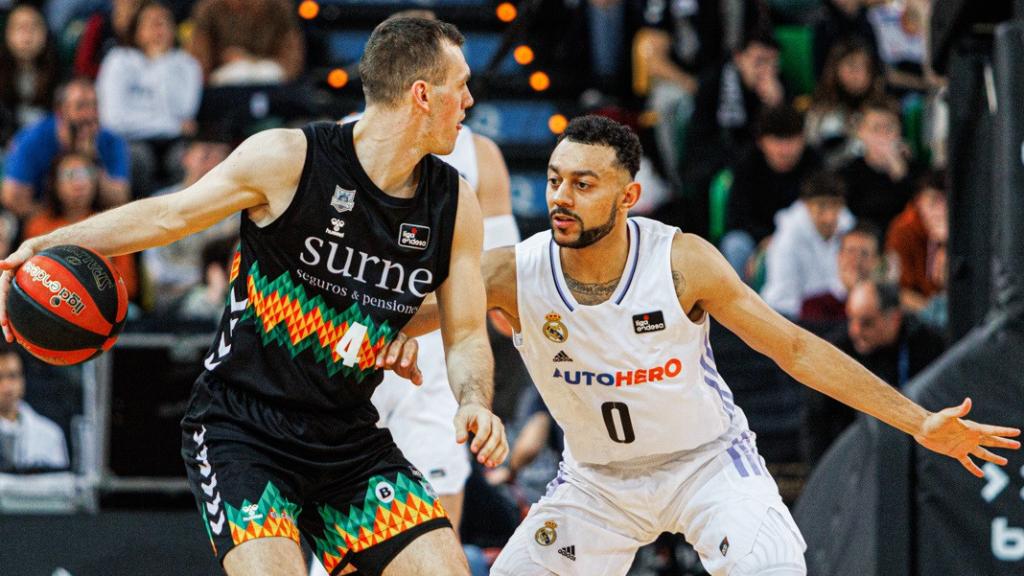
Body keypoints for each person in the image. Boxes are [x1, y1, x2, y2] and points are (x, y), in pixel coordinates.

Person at [0, 17, 508, 576]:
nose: (468, 99)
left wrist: (475, 400)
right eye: (458, 84)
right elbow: (169, 215)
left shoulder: (453, 203)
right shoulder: (290, 159)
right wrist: (48, 241)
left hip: (347, 439)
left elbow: (463, 332)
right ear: (421, 94)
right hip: (244, 431)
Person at [456, 115, 1017, 576]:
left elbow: (797, 349)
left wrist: (918, 422)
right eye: (555, 180)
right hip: (596, 479)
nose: (561, 196)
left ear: (628, 195)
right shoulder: (515, 270)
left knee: (775, 568)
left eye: (583, 184)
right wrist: (411, 356)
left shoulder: (681, 263)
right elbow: (430, 317)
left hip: (705, 463)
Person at [803, 280, 947, 464]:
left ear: (894, 319)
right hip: (853, 458)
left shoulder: (927, 344)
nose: (855, 330)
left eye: (867, 323)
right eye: (851, 320)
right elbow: (815, 424)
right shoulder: (837, 349)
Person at [96, 0, 203, 194]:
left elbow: (184, 111)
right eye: (152, 22)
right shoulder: (118, 60)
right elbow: (114, 120)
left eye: (164, 22)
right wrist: (171, 125)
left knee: (187, 160)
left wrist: (161, 64)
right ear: (136, 29)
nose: (158, 29)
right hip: (132, 141)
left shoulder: (187, 65)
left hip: (174, 142)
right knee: (138, 158)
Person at [1, 78, 130, 218]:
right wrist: (55, 223)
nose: (89, 114)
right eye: (81, 106)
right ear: (60, 111)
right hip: (45, 219)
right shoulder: (33, 139)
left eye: (94, 106)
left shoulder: (111, 141)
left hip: (94, 220)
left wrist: (92, 159)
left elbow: (120, 199)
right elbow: (11, 198)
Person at [720, 105, 821, 277]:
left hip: (802, 239)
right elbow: (737, 218)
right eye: (777, 141)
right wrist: (764, 241)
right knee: (734, 245)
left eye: (791, 140)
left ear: (802, 139)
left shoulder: (814, 164)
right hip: (755, 240)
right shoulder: (747, 164)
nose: (785, 149)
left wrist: (781, 239)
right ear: (761, 141)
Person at [22, 152, 139, 300]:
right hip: (52, 305)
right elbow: (30, 280)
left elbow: (129, 286)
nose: (79, 183)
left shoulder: (113, 224)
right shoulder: (38, 225)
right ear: (55, 183)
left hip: (103, 305)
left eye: (87, 174)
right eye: (70, 175)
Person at [142, 127, 235, 309]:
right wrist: (202, 281)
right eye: (206, 156)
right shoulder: (160, 204)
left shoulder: (236, 211)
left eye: (221, 159)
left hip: (221, 294)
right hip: (173, 296)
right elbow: (155, 269)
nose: (213, 166)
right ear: (186, 158)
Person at [760, 171, 854, 319]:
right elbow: (781, 300)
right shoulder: (786, 239)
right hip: (791, 319)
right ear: (806, 205)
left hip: (837, 316)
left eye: (835, 206)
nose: (829, 217)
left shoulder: (851, 232)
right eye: (821, 206)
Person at [805, 36, 885, 168]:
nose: (858, 74)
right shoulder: (820, 109)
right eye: (852, 65)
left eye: (865, 67)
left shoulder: (881, 108)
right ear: (835, 68)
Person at [839, 97, 916, 232]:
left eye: (889, 127)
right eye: (875, 128)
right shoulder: (847, 173)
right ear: (861, 132)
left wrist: (900, 173)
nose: (882, 135)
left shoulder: (915, 170)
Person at [188, 0, 305, 86]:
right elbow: (198, 60)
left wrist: (250, 60)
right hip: (224, 83)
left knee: (267, 73)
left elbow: (291, 59)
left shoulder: (278, 8)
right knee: (236, 74)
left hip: (271, 81)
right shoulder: (210, 9)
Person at [885, 169, 947, 313]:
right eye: (933, 201)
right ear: (919, 202)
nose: (941, 210)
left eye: (946, 201)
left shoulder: (967, 225)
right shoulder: (903, 231)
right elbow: (899, 291)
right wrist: (932, 314)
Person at [0, 343, 69, 472]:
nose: (6, 387)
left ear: (23, 380)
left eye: (13, 376)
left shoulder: (50, 434)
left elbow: (60, 487)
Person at [0, 4, 59, 146]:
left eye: (34, 27)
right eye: (20, 27)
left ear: (46, 32)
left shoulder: (60, 74)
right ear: (7, 34)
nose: (27, 34)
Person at [799, 222, 881, 324]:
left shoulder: (884, 308)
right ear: (839, 256)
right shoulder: (813, 306)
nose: (856, 260)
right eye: (850, 251)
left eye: (864, 253)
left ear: (876, 261)